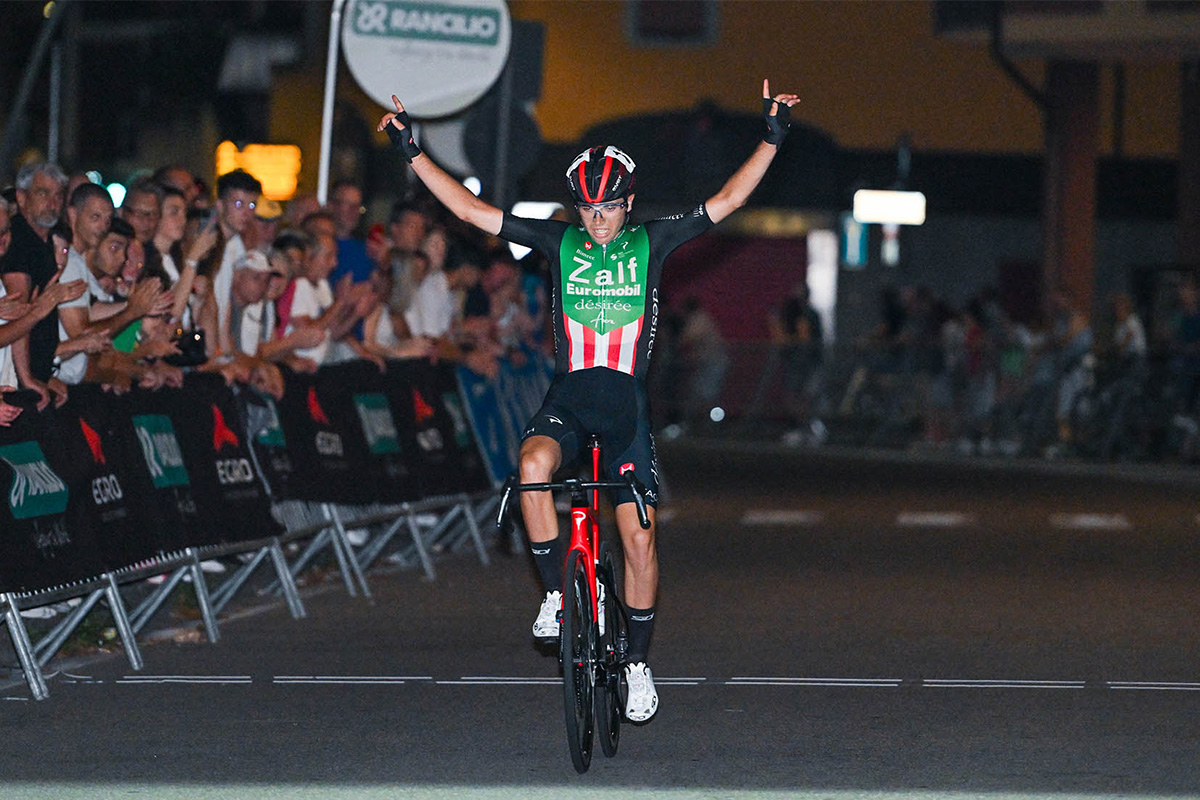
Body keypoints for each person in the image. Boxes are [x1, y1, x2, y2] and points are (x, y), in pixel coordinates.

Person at [379, 78, 798, 723]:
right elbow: (469, 210)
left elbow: (728, 198)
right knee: (533, 466)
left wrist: (771, 134)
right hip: (570, 398)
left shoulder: (653, 241)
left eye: (608, 210)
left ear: (628, 204)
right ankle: (554, 596)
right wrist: (411, 149)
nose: (598, 222)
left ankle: (635, 663)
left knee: (638, 542)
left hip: (626, 409)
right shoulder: (558, 242)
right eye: (587, 210)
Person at [0, 162, 70, 409]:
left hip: (35, 374)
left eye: (58, 195)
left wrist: (44, 375)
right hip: (15, 385)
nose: (52, 202)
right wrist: (27, 378)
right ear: (21, 197)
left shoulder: (48, 242)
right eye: (43, 193)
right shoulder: (17, 241)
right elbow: (20, 317)